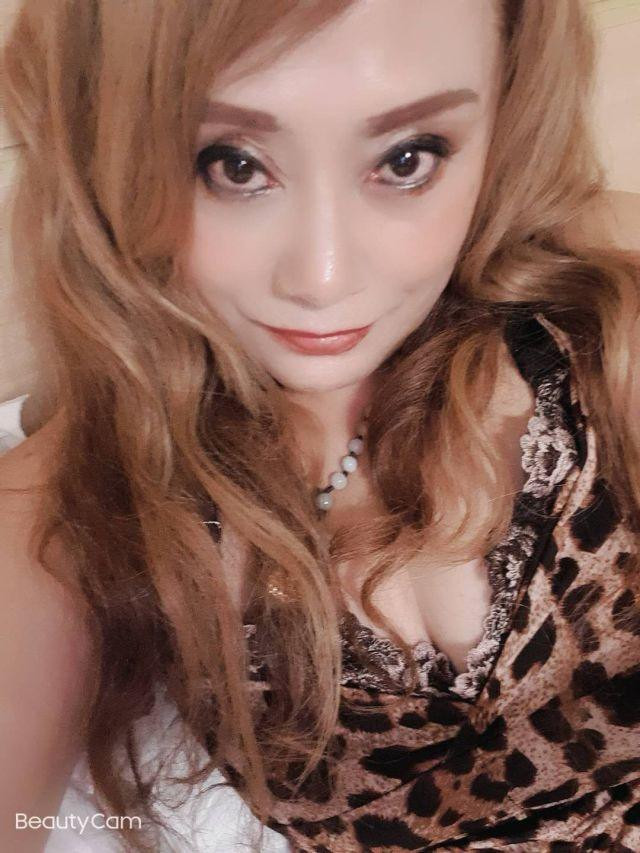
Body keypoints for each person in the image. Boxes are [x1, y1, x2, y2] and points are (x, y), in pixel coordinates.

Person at [0, 0, 639, 850]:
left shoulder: (597, 310)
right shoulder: (66, 512)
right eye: (231, 165)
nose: (323, 277)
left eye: (408, 157)